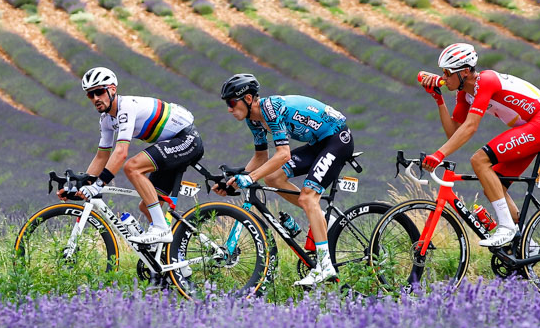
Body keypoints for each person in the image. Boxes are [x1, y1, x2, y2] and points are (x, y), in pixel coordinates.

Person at [417, 42, 540, 248]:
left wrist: (439, 155)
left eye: (448, 72)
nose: (444, 77)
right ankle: (527, 244)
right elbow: (454, 132)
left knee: (479, 160)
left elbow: (471, 127)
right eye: (443, 73)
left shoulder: (486, 81)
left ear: (465, 71)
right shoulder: (464, 93)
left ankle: (507, 228)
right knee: (495, 186)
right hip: (532, 127)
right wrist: (438, 99)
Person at [216, 73, 351, 288]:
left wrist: (250, 177)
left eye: (232, 102)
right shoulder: (254, 120)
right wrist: (234, 179)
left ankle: (325, 265)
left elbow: (283, 154)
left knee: (308, 198)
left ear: (248, 99)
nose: (229, 109)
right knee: (273, 178)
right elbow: (261, 158)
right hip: (318, 143)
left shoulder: (270, 109)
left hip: (337, 139)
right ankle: (323, 219)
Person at [64, 66, 203, 245]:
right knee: (146, 206)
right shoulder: (106, 120)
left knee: (132, 167)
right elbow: (101, 156)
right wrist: (83, 185)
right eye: (90, 95)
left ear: (112, 89)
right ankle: (176, 263)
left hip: (187, 139)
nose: (96, 98)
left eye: (99, 92)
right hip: (171, 144)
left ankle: (161, 228)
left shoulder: (126, 107)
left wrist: (98, 184)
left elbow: (121, 152)